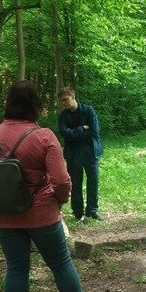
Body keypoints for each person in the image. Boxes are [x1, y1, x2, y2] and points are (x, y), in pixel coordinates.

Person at [0, 81, 106, 292]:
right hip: (42, 214)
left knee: (16, 269)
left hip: (5, 216)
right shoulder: (44, 136)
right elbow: (62, 180)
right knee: (60, 264)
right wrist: (58, 201)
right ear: (35, 105)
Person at [57, 87, 104, 221]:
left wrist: (74, 133)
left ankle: (92, 211)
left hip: (90, 151)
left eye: (65, 99)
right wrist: (82, 128)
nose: (64, 103)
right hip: (73, 153)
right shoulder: (63, 116)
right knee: (76, 183)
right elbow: (65, 134)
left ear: (73, 96)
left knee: (93, 181)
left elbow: (95, 131)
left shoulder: (89, 111)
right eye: (61, 101)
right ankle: (78, 213)